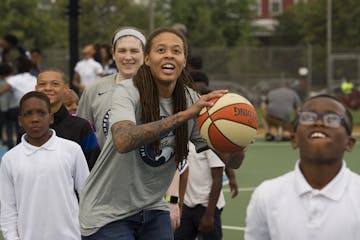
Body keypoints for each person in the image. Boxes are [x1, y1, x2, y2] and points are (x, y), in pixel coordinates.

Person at [79, 27, 245, 240]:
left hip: (153, 208)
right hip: (108, 211)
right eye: (161, 50)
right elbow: (122, 140)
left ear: (184, 60)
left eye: (176, 51)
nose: (169, 55)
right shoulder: (128, 91)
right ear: (147, 59)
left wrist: (238, 139)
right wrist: (183, 116)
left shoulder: (190, 99)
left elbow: (232, 160)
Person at [77, 26, 186, 230]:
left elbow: (173, 149)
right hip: (106, 200)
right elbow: (79, 143)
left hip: (150, 200)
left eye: (134, 51)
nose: (128, 57)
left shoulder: (165, 90)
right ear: (113, 54)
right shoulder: (95, 91)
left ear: (145, 55)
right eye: (122, 51)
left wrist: (172, 200)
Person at [245, 94, 359, 240]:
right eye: (308, 117)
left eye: (332, 119)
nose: (318, 122)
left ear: (349, 143)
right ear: (294, 139)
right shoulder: (266, 195)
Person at [0, 91, 89, 240]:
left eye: (41, 113)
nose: (35, 119)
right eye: (28, 114)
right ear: (20, 121)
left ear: (51, 118)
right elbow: (8, 208)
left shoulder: (72, 150)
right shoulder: (10, 159)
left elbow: (87, 196)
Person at [31, 69, 101, 170]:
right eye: (42, 84)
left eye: (55, 84)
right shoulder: (27, 129)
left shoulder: (81, 127)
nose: (48, 88)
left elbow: (94, 166)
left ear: (66, 88)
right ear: (36, 89)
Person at [174, 143, 238, 240]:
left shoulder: (209, 142)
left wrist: (209, 215)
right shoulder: (182, 138)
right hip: (186, 205)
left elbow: (217, 179)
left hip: (207, 207)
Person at [0, 56, 36, 148]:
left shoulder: (14, 79)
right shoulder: (35, 79)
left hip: (19, 108)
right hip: (35, 107)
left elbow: (1, 91)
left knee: (12, 127)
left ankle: (13, 147)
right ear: (30, 68)